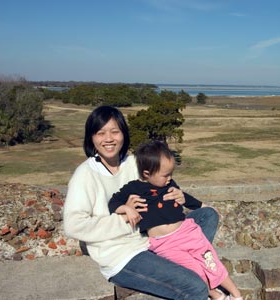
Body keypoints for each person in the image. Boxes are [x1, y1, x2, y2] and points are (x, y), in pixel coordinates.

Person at [63, 105, 220, 300]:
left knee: (207, 215)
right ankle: (193, 271)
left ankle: (186, 260)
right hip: (122, 256)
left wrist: (177, 195)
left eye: (115, 131)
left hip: (153, 242)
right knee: (196, 287)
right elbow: (73, 225)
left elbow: (164, 183)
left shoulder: (135, 163)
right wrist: (122, 218)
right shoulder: (85, 174)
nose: (109, 139)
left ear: (123, 134)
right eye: (100, 133)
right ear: (92, 138)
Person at [108, 141, 243, 300]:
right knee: (193, 272)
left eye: (171, 174)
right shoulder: (132, 189)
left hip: (187, 233)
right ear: (146, 173)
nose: (169, 178)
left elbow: (183, 197)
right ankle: (216, 295)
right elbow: (112, 203)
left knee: (211, 263)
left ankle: (236, 295)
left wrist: (202, 205)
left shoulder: (169, 184)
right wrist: (126, 208)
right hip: (164, 244)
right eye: (165, 175)